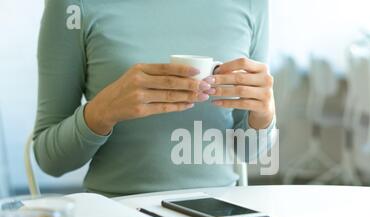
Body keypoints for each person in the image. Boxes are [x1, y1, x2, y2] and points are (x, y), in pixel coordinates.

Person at [34, 0, 276, 197]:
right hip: (118, 216)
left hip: (219, 212)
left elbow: (246, 151)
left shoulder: (253, 4)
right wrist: (101, 112)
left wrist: (264, 115)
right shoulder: (71, 6)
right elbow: (50, 160)